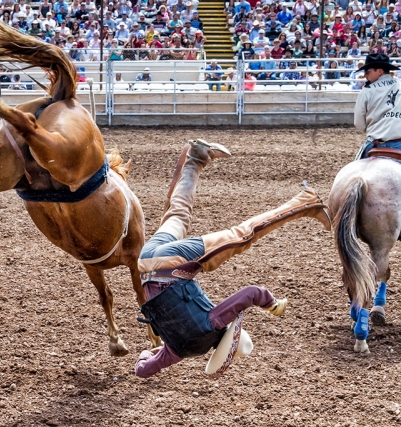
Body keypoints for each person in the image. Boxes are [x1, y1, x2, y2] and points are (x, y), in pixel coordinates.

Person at [134, 140, 331, 378]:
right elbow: (142, 370)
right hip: (146, 262)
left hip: (174, 264)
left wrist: (272, 305)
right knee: (178, 214)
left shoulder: (213, 325)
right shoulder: (176, 352)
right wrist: (147, 353)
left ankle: (306, 203)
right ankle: (196, 157)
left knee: (241, 236)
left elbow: (251, 293)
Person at [354, 53, 401, 159]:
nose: (365, 75)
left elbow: (359, 124)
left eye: (367, 71)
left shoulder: (366, 92)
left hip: (375, 144)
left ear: (379, 71)